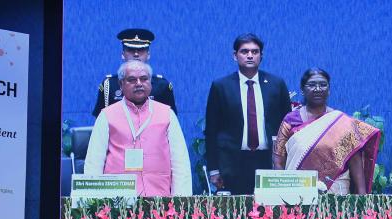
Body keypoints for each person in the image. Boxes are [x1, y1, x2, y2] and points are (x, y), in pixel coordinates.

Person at [84, 60, 191, 197]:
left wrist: (180, 202)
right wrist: (93, 204)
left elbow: (180, 163)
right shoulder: (106, 115)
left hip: (160, 201)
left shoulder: (167, 114)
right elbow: (94, 162)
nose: (139, 83)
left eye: (144, 79)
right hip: (116, 203)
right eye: (132, 80)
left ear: (150, 83)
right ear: (121, 84)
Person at [204, 33, 292, 195]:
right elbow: (212, 130)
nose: (250, 55)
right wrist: (214, 169)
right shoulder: (221, 86)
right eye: (244, 51)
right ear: (235, 55)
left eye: (255, 51)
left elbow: (288, 126)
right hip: (232, 163)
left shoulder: (276, 84)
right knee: (237, 214)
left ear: (261, 55)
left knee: (271, 212)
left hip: (268, 161)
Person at [272, 68, 381, 195]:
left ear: (328, 90)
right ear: (302, 90)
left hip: (336, 193)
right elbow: (278, 160)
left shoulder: (341, 122)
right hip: (297, 194)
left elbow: (355, 160)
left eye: (323, 85)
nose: (318, 89)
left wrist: (362, 197)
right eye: (312, 85)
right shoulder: (290, 120)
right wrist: (280, 194)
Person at [92, 28, 176, 117]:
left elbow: (170, 119)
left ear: (148, 54)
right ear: (123, 54)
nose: (136, 54)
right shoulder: (108, 85)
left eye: (141, 50)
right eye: (131, 50)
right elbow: (101, 120)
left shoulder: (162, 86)